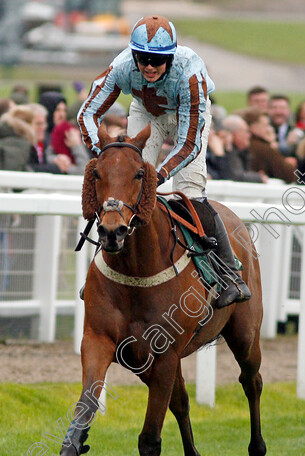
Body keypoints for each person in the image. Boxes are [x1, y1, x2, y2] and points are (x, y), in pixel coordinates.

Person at [77, 14, 249, 307]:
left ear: (170, 57)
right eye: (142, 58)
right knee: (120, 191)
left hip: (188, 116)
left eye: (157, 60)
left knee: (192, 194)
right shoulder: (121, 67)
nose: (148, 66)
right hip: (147, 112)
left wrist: (162, 172)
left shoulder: (190, 75)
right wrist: (104, 154)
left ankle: (229, 275)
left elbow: (189, 143)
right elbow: (87, 114)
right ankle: (99, 270)